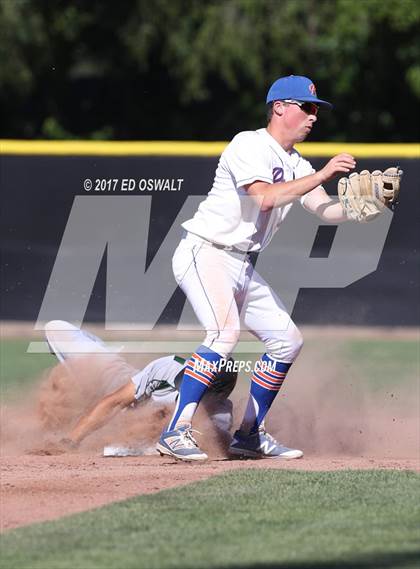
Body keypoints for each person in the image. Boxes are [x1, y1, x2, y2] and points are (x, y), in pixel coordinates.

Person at [157, 75, 356, 461]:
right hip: (206, 251)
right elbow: (264, 198)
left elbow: (323, 209)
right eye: (307, 107)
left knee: (287, 340)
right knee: (223, 333)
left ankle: (249, 434)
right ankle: (175, 430)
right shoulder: (248, 144)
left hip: (241, 263)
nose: (314, 116)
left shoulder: (297, 162)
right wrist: (324, 174)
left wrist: (362, 209)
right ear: (280, 107)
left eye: (316, 110)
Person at [44, 320, 236, 457]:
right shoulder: (168, 368)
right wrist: (72, 441)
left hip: (130, 417)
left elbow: (213, 446)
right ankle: (101, 353)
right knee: (55, 328)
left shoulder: (218, 413)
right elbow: (114, 402)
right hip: (121, 379)